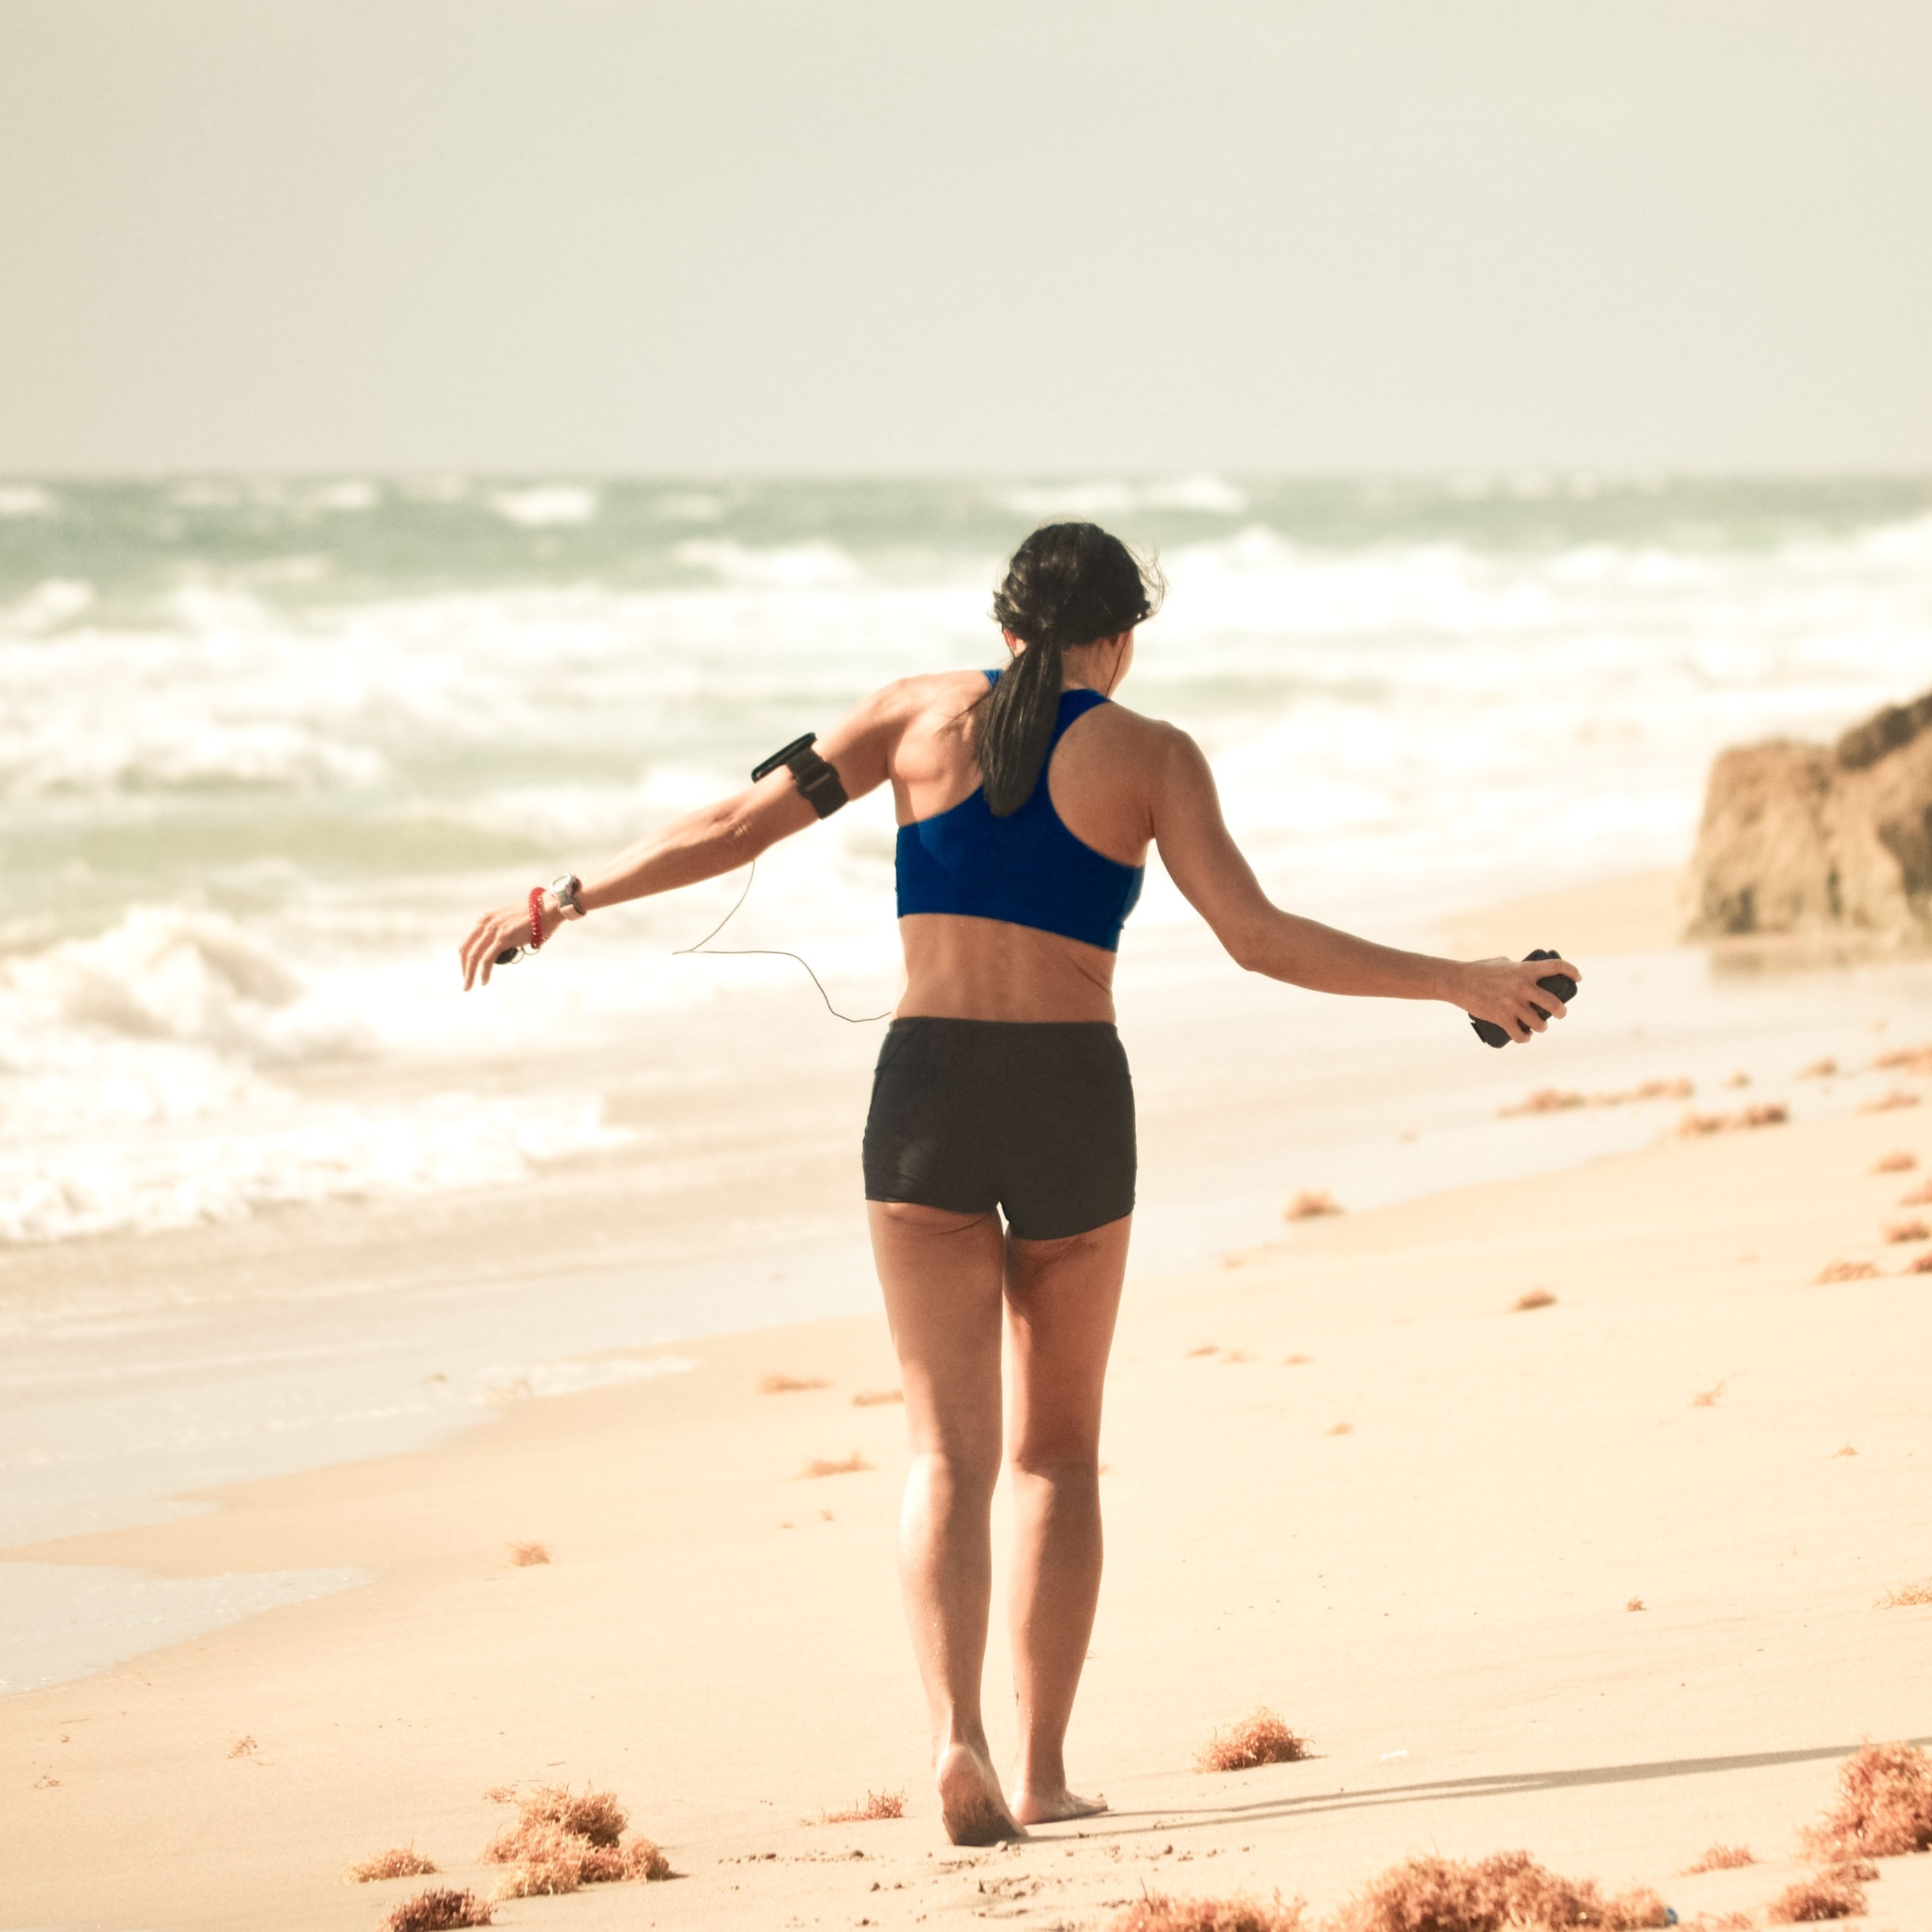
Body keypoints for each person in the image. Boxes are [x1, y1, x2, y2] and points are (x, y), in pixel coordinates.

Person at [458, 521, 1579, 1846]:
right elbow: (1260, 940)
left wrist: (565, 899)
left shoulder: (905, 718)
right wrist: (1465, 980)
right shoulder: (1154, 756)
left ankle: (955, 1741)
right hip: (1070, 1099)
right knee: (1055, 1457)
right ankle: (1043, 1771)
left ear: (1002, 627)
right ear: (1121, 637)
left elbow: (731, 827)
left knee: (946, 1454)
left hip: (925, 1095)